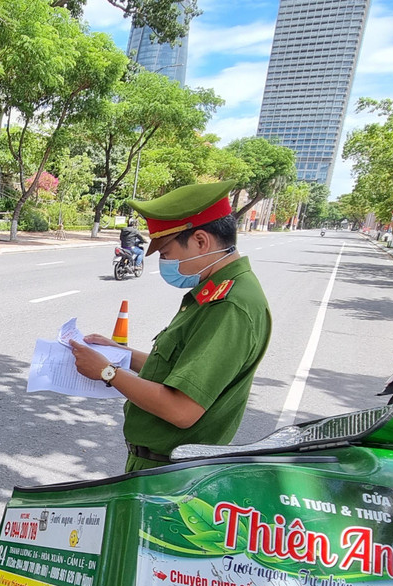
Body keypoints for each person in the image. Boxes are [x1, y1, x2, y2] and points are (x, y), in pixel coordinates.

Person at [69, 180, 272, 472]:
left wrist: (107, 371)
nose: (164, 263)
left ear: (201, 241)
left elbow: (182, 409)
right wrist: (120, 352)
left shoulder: (229, 305)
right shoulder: (214, 292)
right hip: (159, 466)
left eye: (165, 253)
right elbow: (176, 369)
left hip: (172, 474)